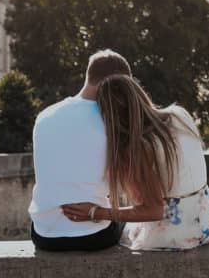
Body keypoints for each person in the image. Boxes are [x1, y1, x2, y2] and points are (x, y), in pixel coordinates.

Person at [62, 75, 209, 251]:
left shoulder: (142, 147)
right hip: (208, 222)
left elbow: (152, 211)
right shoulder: (180, 115)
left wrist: (95, 212)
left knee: (110, 234)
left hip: (177, 235)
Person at [27, 50, 132, 251]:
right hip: (93, 236)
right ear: (116, 84)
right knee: (133, 223)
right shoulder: (110, 121)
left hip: (44, 235)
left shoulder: (45, 115)